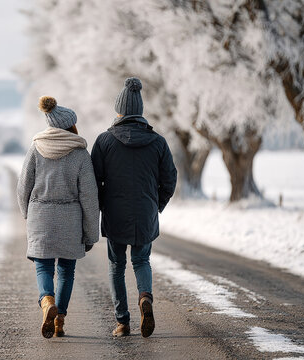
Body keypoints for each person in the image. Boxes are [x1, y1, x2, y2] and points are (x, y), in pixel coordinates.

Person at [91, 77, 177, 338]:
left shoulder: (104, 141)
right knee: (141, 260)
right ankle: (145, 298)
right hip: (145, 212)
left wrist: (105, 205)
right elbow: (170, 178)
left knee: (116, 266)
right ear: (139, 111)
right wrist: (156, 204)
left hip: (115, 214)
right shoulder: (158, 142)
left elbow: (93, 181)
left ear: (119, 111)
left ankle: (122, 322)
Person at [17, 96, 100, 339]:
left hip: (40, 215)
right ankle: (59, 319)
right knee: (66, 270)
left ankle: (46, 302)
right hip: (70, 219)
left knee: (43, 266)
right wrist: (90, 232)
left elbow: (23, 186)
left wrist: (27, 213)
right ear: (70, 126)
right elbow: (89, 197)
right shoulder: (80, 154)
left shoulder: (36, 148)